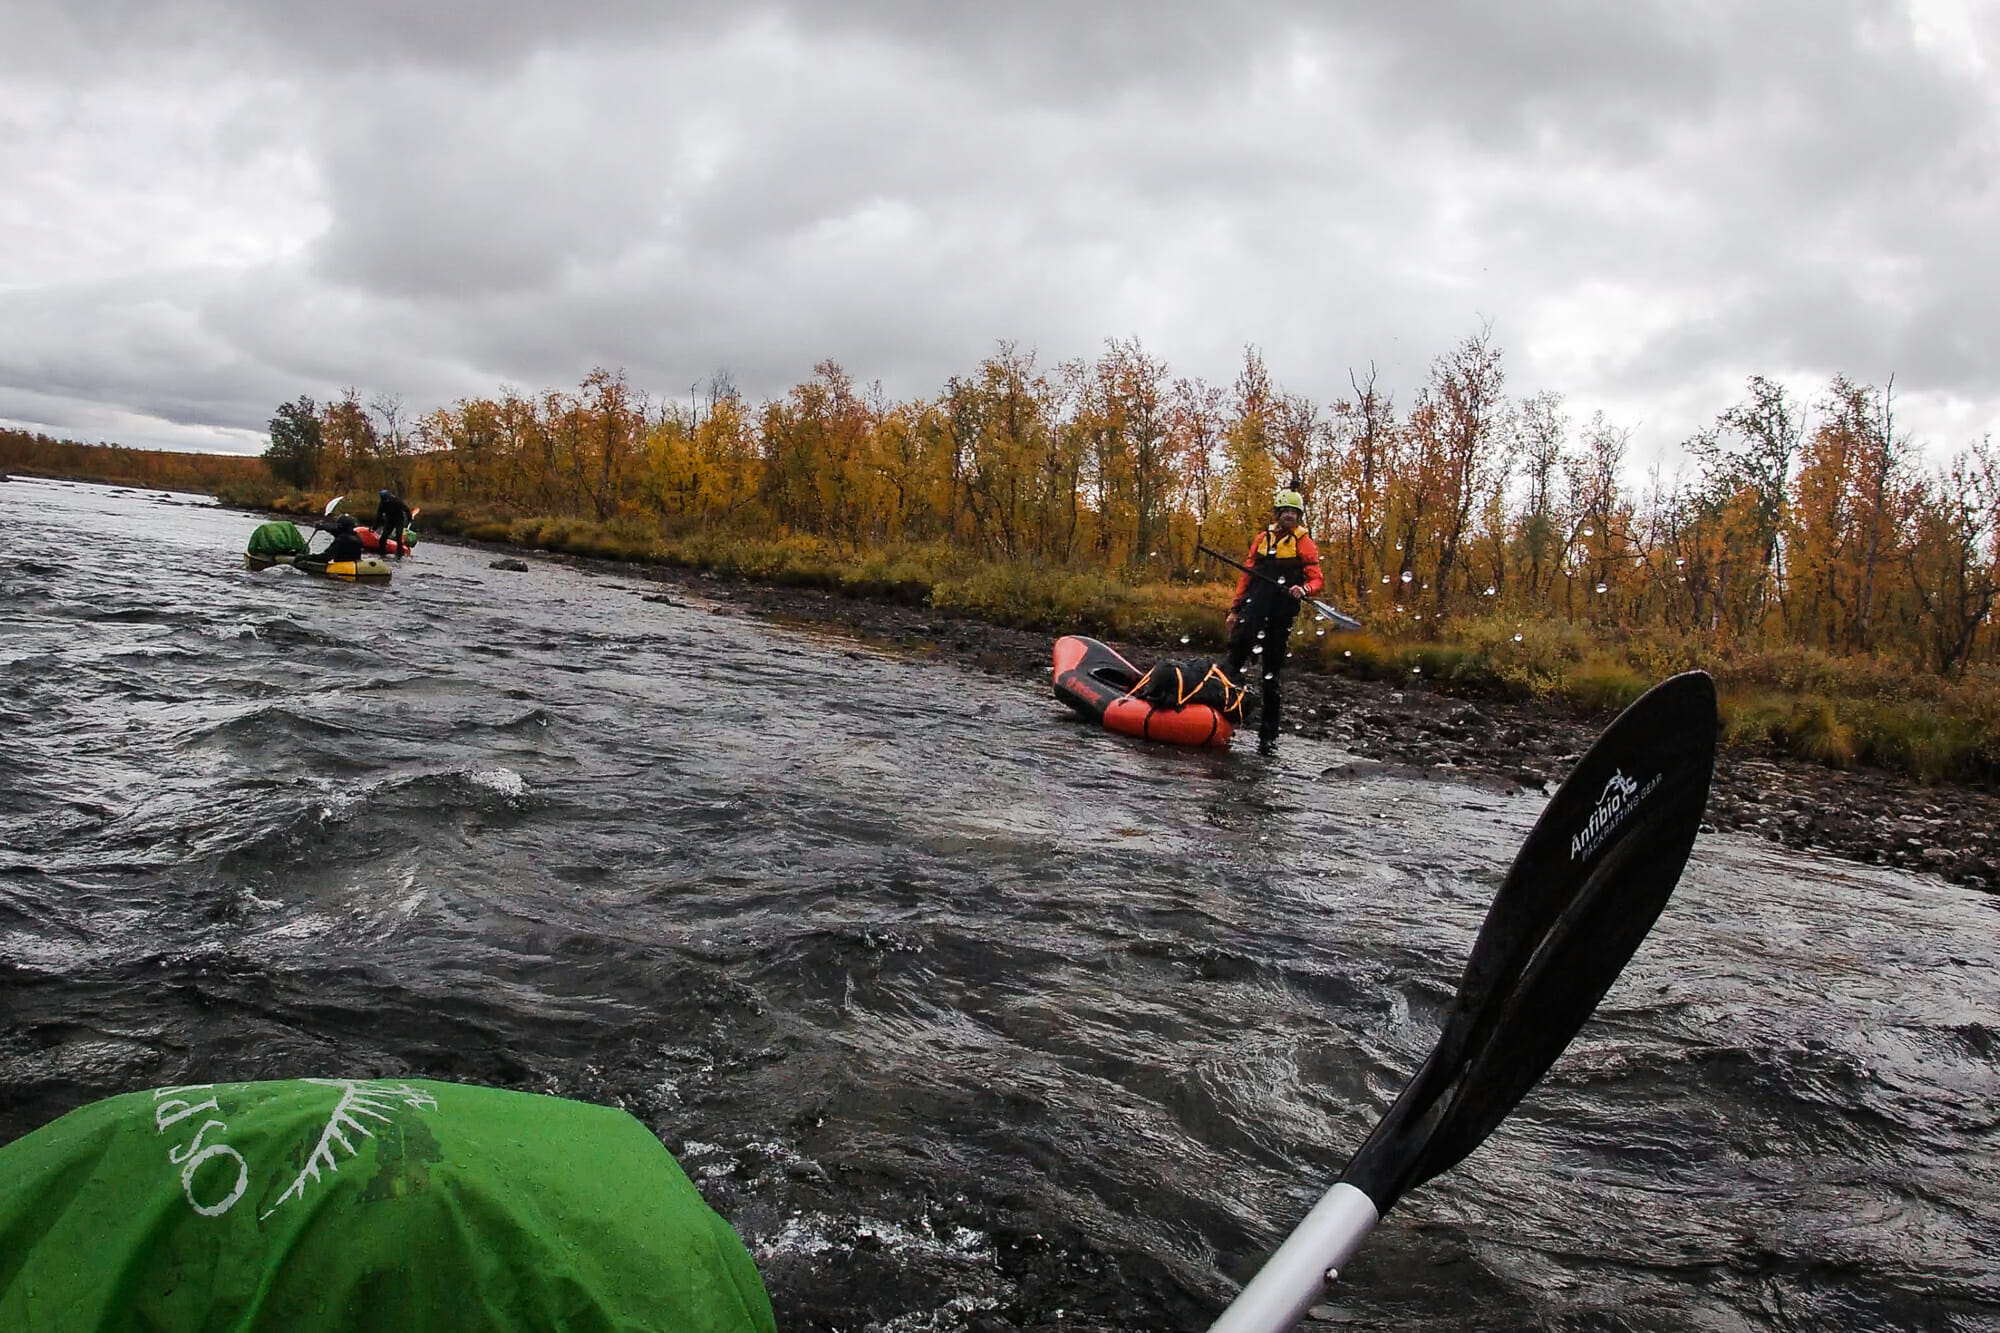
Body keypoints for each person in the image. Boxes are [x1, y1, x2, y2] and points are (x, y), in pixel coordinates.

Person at [1224, 488, 1323, 749]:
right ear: (1278, 514)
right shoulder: (1262, 539)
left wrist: (1303, 589)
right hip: (1252, 611)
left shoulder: (1304, 542)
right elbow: (1246, 576)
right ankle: (1218, 717)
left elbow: (1316, 579)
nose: (1290, 515)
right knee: (1232, 663)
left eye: (1294, 512)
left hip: (1279, 617)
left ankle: (1268, 737)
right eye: (1286, 511)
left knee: (1271, 674)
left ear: (1299, 516)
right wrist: (1234, 610)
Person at [374, 488, 413, 557]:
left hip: (399, 520)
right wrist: (375, 527)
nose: (386, 501)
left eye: (387, 500)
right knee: (383, 538)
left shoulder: (396, 501)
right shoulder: (382, 504)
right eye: (384, 500)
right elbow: (379, 516)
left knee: (398, 536)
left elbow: (406, 509)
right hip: (390, 520)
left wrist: (409, 519)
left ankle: (399, 554)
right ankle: (382, 553)